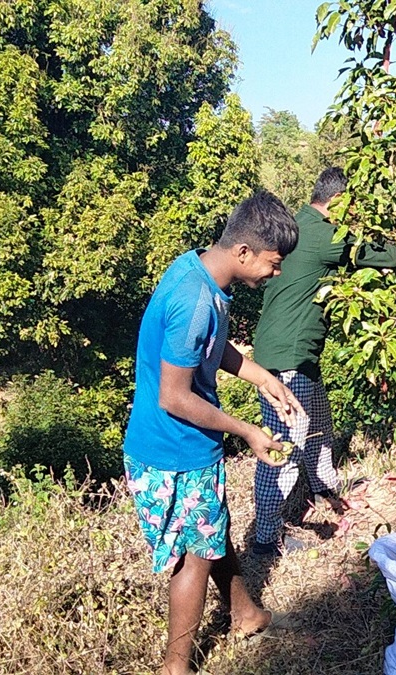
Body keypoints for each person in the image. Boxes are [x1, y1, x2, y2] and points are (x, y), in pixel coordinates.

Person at [123, 189, 305, 674]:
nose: (276, 272)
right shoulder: (195, 301)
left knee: (211, 529)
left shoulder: (198, 271)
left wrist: (261, 376)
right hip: (173, 449)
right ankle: (175, 666)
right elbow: (174, 396)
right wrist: (246, 430)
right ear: (244, 253)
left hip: (180, 444)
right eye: (273, 263)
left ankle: (245, 614)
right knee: (193, 557)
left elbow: (211, 346)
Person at [249, 167, 396, 556]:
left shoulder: (302, 224)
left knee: (318, 423)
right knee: (286, 448)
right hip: (288, 357)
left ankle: (324, 484)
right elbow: (366, 253)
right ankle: (266, 538)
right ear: (339, 201)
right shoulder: (322, 233)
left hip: (296, 352)